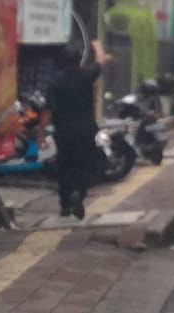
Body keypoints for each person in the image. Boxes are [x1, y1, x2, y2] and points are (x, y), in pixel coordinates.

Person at [40, 40, 107, 220]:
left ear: (61, 62)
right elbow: (100, 63)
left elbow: (47, 111)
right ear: (79, 60)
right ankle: (78, 192)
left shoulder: (55, 82)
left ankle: (64, 205)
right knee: (83, 165)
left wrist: (40, 135)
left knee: (65, 167)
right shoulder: (87, 75)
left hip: (63, 132)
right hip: (85, 131)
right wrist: (98, 47)